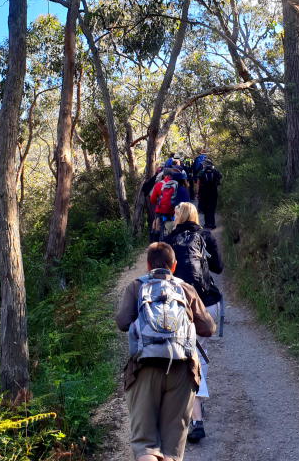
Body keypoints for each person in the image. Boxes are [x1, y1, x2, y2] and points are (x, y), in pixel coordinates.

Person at [116, 242, 216, 461]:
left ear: (148, 265)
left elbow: (122, 322)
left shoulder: (136, 286)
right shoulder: (185, 288)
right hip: (183, 370)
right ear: (174, 265)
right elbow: (209, 328)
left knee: (146, 445)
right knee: (171, 449)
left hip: (145, 369)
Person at [165, 202, 223, 443]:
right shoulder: (205, 235)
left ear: (178, 217)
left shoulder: (168, 238)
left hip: (178, 304)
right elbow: (219, 268)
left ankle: (195, 412)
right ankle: (198, 413)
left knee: (186, 356)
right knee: (199, 353)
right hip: (206, 302)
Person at [197, 159, 222, 230]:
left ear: (206, 164)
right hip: (213, 192)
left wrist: (197, 193)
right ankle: (212, 224)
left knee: (205, 208)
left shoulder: (201, 172)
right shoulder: (216, 172)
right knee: (212, 208)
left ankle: (207, 224)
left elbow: (198, 183)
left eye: (204, 164)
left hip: (203, 193)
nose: (203, 165)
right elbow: (220, 178)